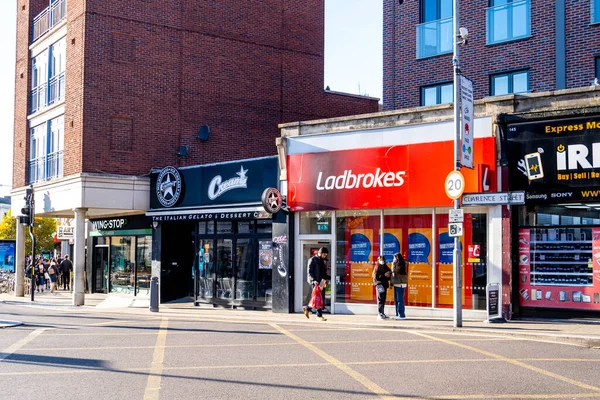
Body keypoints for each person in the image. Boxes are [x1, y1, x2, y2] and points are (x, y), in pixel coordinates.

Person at [303, 247, 330, 321]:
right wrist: (313, 280)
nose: (325, 256)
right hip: (315, 282)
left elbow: (323, 272)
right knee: (318, 297)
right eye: (324, 255)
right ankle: (319, 315)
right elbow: (309, 272)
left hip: (321, 282)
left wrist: (328, 278)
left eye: (326, 255)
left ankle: (307, 308)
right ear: (320, 253)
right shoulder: (312, 260)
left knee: (318, 298)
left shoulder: (323, 261)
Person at [373, 255, 392, 320]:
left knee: (383, 299)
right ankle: (380, 313)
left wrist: (389, 274)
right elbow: (377, 277)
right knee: (380, 299)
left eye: (383, 260)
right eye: (381, 260)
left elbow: (390, 274)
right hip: (379, 285)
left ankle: (382, 313)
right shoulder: (377, 267)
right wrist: (384, 275)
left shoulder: (385, 267)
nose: (382, 261)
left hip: (385, 285)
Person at [391, 252, 408, 320]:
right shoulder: (402, 264)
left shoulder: (399, 265)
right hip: (398, 284)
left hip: (399, 284)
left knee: (399, 300)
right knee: (397, 300)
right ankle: (398, 314)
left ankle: (401, 315)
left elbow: (393, 271)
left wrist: (393, 263)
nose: (393, 259)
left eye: (394, 258)